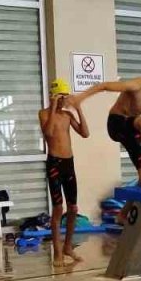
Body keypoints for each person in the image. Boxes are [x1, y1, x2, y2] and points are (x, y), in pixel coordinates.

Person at [69, 62, 141, 191]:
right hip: (116, 124)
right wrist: (80, 98)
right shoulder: (139, 85)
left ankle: (125, 211)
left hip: (132, 130)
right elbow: (104, 86)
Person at [39, 79, 89, 266]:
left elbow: (85, 133)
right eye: (61, 97)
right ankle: (57, 252)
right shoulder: (44, 114)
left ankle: (68, 246)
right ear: (53, 96)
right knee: (58, 208)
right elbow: (49, 132)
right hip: (54, 163)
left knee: (73, 208)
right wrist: (52, 107)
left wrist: (78, 109)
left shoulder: (68, 115)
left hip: (69, 163)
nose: (63, 101)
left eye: (65, 97)